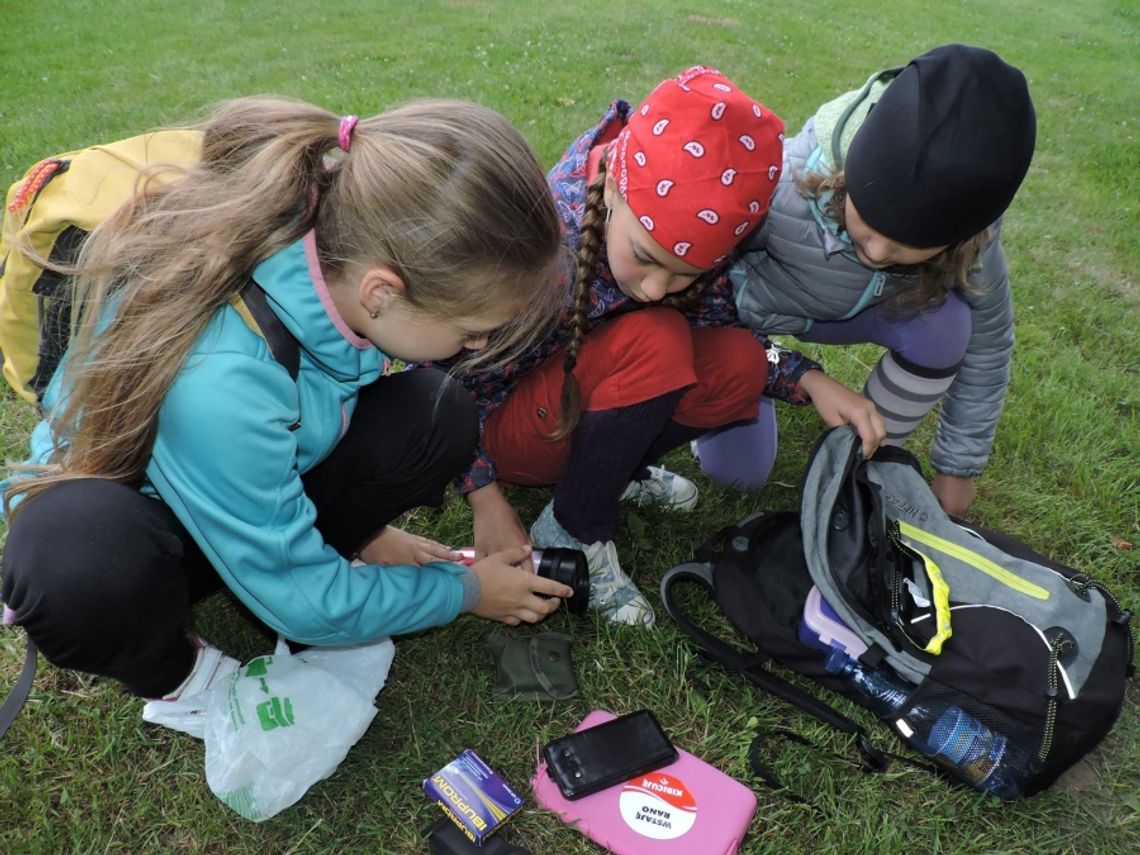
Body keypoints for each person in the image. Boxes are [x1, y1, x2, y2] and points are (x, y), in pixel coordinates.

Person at [0, 96, 574, 711]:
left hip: (242, 473)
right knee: (80, 569)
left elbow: (311, 406)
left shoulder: (331, 244)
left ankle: (293, 549)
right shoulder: (220, 378)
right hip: (141, 523)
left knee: (438, 410)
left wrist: (367, 532)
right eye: (471, 330)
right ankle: (181, 679)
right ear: (383, 292)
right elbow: (304, 604)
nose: (479, 346)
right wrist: (464, 591)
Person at [451, 67, 885, 628]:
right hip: (500, 429)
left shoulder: (668, 245)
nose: (658, 287)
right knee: (657, 337)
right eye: (646, 257)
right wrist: (484, 498)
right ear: (612, 186)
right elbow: (445, 381)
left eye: (685, 275)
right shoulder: (544, 245)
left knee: (738, 360)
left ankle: (611, 471)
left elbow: (726, 333)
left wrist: (804, 376)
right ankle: (574, 528)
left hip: (568, 407)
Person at [696, 45, 1036, 517]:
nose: (876, 253)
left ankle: (856, 457)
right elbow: (699, 310)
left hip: (862, 313)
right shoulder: (783, 187)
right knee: (737, 474)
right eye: (869, 224)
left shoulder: (970, 235)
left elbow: (989, 341)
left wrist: (958, 467)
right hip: (745, 313)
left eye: (905, 247)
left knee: (951, 325)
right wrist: (796, 373)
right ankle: (751, 386)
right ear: (847, 175)